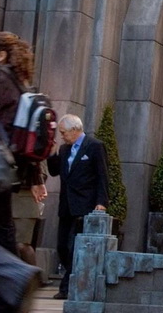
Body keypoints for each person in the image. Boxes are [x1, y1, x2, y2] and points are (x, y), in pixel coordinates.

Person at [0, 36, 42, 313]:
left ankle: (16, 275)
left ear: (0, 55)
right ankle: (10, 297)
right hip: (3, 174)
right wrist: (35, 180)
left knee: (4, 238)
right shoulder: (21, 85)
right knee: (4, 235)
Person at [47, 114, 108, 300]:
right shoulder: (64, 149)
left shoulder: (94, 146)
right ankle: (72, 279)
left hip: (85, 205)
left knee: (75, 247)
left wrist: (101, 202)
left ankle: (67, 287)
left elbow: (102, 176)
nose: (62, 136)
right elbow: (54, 171)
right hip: (66, 205)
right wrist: (52, 153)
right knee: (62, 247)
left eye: (64, 133)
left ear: (75, 130)